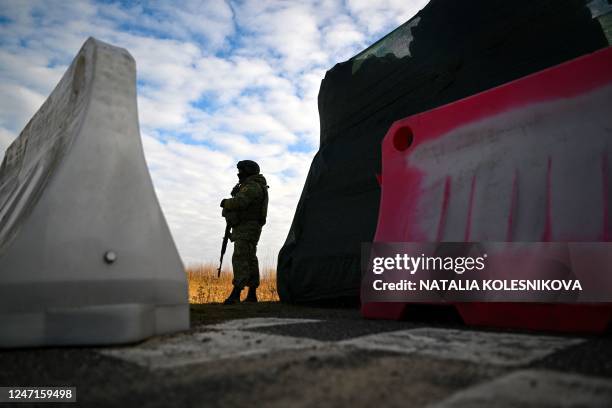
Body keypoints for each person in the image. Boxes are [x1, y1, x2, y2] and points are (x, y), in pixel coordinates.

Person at [220, 160, 268, 304]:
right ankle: (252, 295)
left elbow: (240, 202)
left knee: (240, 258)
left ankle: (236, 294)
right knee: (250, 259)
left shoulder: (252, 186)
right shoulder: (253, 185)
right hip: (248, 227)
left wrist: (225, 202)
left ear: (248, 171)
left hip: (247, 227)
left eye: (241, 171)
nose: (239, 173)